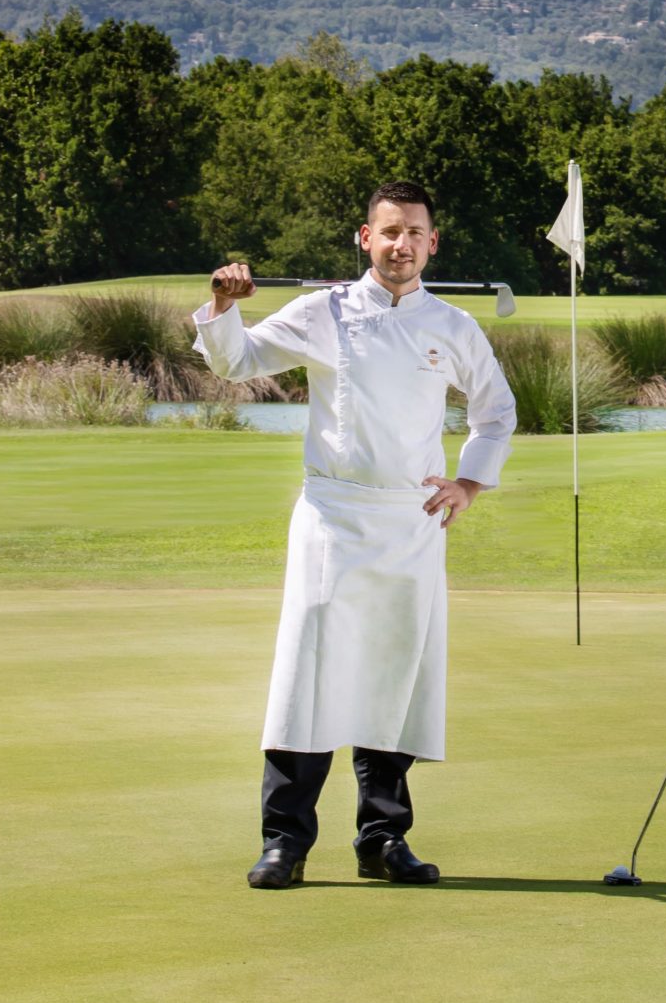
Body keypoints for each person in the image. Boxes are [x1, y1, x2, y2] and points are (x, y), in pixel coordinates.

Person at [193, 183, 516, 890]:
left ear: (433, 243)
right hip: (332, 520)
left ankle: (382, 840)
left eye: (414, 234)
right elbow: (235, 361)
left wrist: (468, 484)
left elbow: (497, 413)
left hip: (413, 522)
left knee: (395, 680)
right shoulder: (323, 311)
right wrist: (223, 306)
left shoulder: (454, 325)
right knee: (308, 674)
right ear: (363, 239)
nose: (401, 245)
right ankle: (285, 842)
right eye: (389, 232)